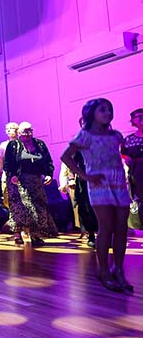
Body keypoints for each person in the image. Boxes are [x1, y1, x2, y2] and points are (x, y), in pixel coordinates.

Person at [61, 99, 132, 292]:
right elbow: (65, 156)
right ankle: (103, 270)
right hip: (99, 184)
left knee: (121, 228)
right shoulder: (85, 135)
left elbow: (124, 155)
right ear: (91, 113)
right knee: (106, 228)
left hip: (119, 183)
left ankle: (118, 269)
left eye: (110, 109)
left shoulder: (116, 135)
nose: (108, 112)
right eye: (103, 110)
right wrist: (84, 175)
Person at [2, 122, 57, 246]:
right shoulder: (13, 145)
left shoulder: (40, 144)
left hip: (35, 181)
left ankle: (36, 235)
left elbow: (48, 161)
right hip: (17, 181)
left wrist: (48, 174)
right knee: (22, 208)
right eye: (24, 132)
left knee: (38, 207)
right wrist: (13, 175)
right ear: (19, 133)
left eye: (29, 131)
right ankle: (18, 234)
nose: (27, 134)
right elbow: (7, 164)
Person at [122, 108, 143, 228]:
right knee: (140, 202)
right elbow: (124, 154)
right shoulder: (129, 139)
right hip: (136, 174)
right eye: (138, 117)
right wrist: (128, 159)